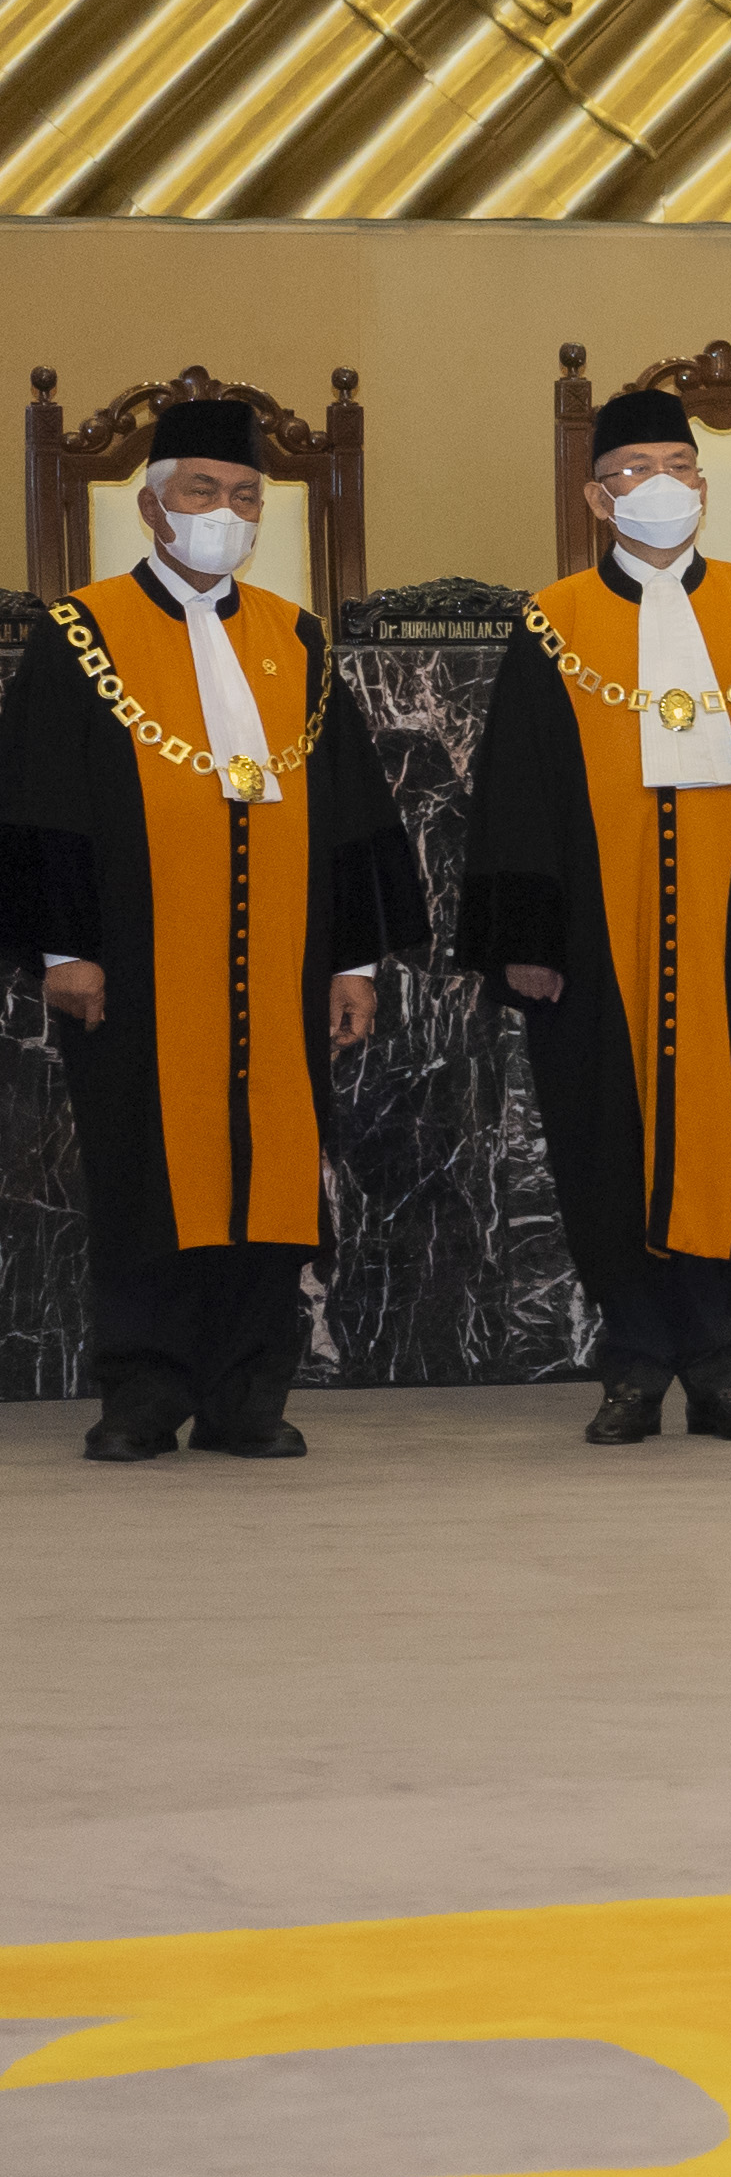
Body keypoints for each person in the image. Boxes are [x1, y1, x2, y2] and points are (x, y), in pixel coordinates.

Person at [455, 386, 731, 1445]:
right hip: (597, 947)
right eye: (634, 470)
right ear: (598, 498)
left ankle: (719, 1364)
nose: (660, 487)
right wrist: (526, 940)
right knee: (605, 1140)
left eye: (679, 467)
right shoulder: (551, 622)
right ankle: (635, 1365)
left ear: (703, 486)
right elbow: (517, 792)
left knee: (729, 1140)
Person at [6, 400, 422, 1463]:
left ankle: (247, 1390)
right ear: (151, 506)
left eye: (245, 498)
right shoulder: (82, 633)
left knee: (270, 1172)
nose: (224, 513)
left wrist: (354, 961)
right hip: (135, 969)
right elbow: (42, 801)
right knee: (146, 1169)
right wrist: (64, 948)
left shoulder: (294, 635)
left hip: (282, 970)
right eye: (203, 492)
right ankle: (141, 1392)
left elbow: (348, 813)